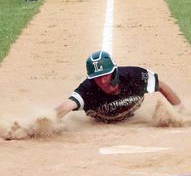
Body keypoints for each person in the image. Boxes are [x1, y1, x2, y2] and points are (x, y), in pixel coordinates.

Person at [55, 51, 183, 123]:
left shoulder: (134, 75)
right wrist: (45, 122)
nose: (102, 81)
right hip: (103, 121)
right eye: (97, 77)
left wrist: (181, 111)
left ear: (114, 72)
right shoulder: (88, 89)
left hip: (130, 114)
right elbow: (66, 106)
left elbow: (162, 86)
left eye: (105, 75)